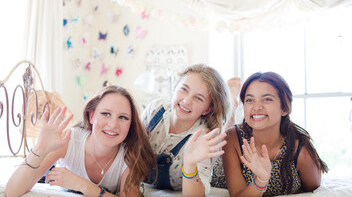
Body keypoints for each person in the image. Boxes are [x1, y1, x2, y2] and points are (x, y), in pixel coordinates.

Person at [5, 85, 155, 197]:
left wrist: (82, 185)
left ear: (130, 124)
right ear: (91, 116)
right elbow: (11, 191)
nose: (113, 124)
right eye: (106, 114)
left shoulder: (131, 154)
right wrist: (40, 147)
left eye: (123, 117)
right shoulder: (69, 140)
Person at [223, 72, 328, 196]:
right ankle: (232, 102)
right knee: (222, 131)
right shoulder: (233, 139)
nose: (256, 107)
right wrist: (261, 181)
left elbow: (313, 188)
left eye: (267, 99)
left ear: (284, 108)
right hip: (228, 146)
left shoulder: (301, 152)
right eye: (249, 100)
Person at [141, 64, 233, 196]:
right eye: (184, 89)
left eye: (198, 98)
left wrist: (190, 162)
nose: (186, 100)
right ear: (174, 88)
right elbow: (131, 147)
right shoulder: (156, 109)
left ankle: (233, 96)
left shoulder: (206, 138)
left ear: (207, 109)